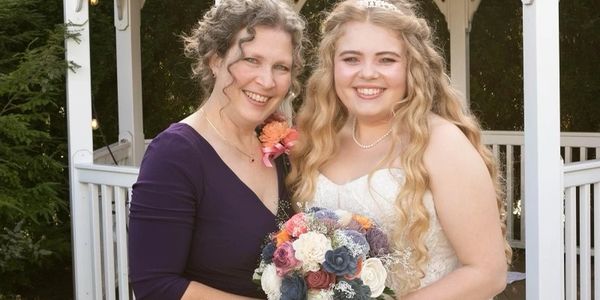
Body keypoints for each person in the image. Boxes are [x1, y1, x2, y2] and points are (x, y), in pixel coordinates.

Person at [288, 0, 511, 299]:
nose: (367, 73)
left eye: (386, 60)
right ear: (332, 66)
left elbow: (488, 273)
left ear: (411, 67)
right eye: (351, 59)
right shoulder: (317, 142)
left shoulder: (443, 143)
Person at [128, 0, 305, 299]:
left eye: (281, 67)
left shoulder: (279, 148)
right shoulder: (175, 154)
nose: (266, 80)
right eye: (251, 60)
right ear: (215, 59)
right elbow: (155, 286)